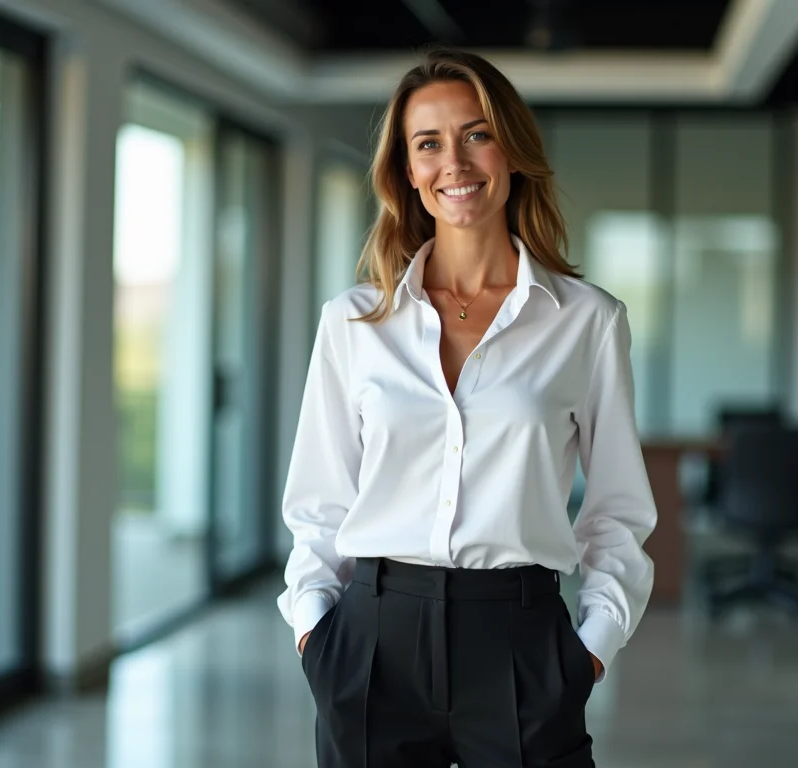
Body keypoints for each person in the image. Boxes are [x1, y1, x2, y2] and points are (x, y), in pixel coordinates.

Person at [277, 47, 658, 768]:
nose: (454, 161)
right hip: (371, 644)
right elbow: (320, 505)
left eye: (476, 133)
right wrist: (314, 633)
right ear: (407, 171)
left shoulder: (587, 322)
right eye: (428, 143)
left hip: (521, 648)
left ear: (511, 148)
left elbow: (618, 512)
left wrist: (590, 653)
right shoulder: (354, 322)